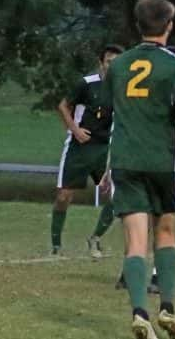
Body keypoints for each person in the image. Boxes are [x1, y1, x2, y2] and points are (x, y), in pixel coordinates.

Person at [101, 0, 175, 339]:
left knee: (135, 242)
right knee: (166, 232)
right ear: (169, 26)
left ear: (138, 26)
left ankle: (140, 312)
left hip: (126, 159)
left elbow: (109, 110)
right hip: (160, 160)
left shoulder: (119, 65)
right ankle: (167, 308)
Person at [50, 44, 124, 257]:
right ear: (101, 62)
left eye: (118, 62)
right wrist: (75, 130)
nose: (113, 66)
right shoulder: (86, 84)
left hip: (105, 148)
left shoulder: (122, 88)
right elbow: (63, 106)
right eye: (110, 61)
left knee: (117, 197)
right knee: (64, 196)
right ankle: (56, 246)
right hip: (79, 147)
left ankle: (95, 238)